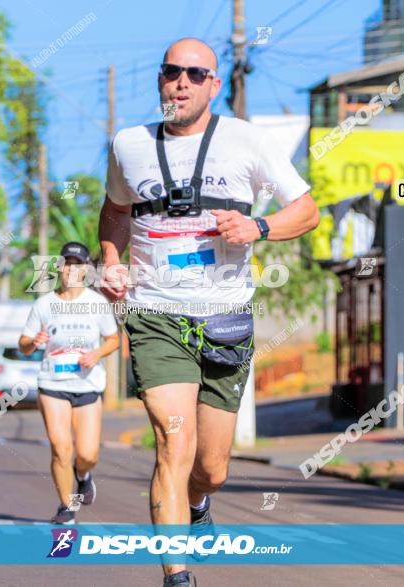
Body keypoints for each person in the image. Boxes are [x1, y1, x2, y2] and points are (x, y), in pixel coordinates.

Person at [98, 38, 320, 586]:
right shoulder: (128, 145)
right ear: (159, 79)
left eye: (196, 74)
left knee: (212, 467)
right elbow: (115, 211)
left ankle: (198, 503)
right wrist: (110, 259)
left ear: (214, 85)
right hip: (154, 316)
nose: (182, 82)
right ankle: (177, 574)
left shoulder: (245, 140)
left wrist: (259, 227)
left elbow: (308, 209)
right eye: (172, 72)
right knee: (173, 441)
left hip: (223, 318)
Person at [19, 242, 120, 525]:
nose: (72, 269)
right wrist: (33, 342)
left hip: (87, 385)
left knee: (87, 454)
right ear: (60, 268)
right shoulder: (43, 305)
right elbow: (23, 344)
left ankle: (83, 475)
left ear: (86, 269)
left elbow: (113, 340)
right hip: (52, 382)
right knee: (60, 446)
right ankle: (66, 507)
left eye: (78, 264)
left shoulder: (97, 303)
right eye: (67, 263)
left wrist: (96, 354)